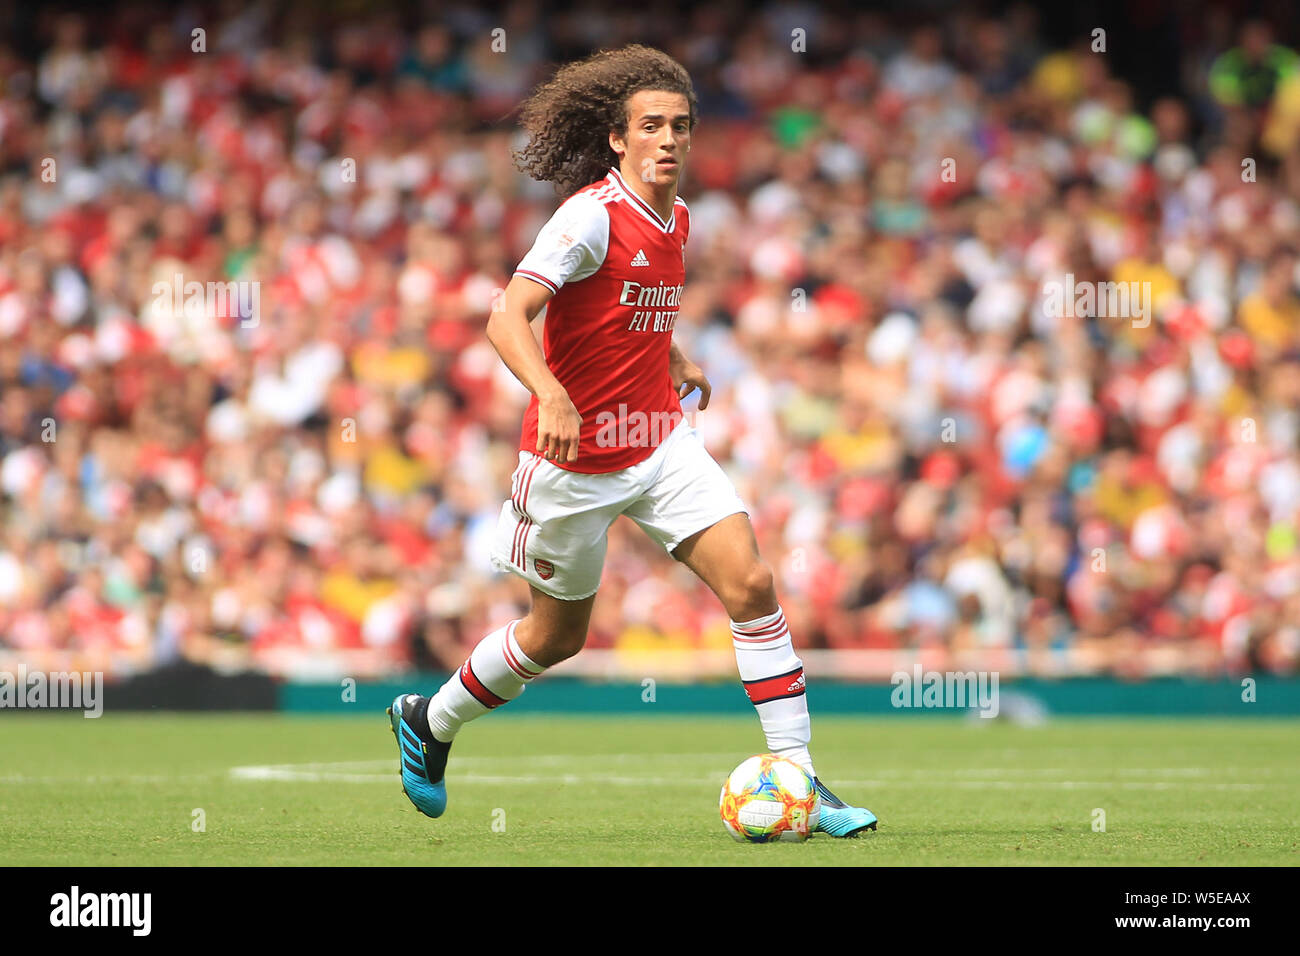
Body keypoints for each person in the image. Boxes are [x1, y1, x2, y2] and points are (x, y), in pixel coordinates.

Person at [388, 44, 877, 837]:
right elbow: (505, 316)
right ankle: (430, 720)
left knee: (751, 584)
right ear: (618, 138)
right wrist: (549, 392)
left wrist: (673, 354)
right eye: (651, 125)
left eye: (680, 125)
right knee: (555, 637)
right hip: (572, 467)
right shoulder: (588, 216)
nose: (669, 138)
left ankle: (803, 781)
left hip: (658, 443)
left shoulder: (679, 216)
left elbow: (627, 309)